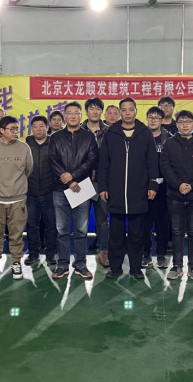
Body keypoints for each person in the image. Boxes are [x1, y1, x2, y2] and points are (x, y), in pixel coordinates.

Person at [99, 97, 159, 280]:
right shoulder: (111, 133)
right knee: (115, 235)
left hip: (138, 191)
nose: (127, 113)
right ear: (119, 112)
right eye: (123, 110)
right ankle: (115, 268)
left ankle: (135, 268)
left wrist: (153, 184)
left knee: (137, 234)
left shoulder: (145, 133)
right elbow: (104, 162)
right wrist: (103, 186)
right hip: (116, 192)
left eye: (130, 109)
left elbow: (152, 161)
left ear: (135, 111)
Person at [161, 110, 193, 282]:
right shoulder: (169, 143)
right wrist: (179, 185)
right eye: (181, 122)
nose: (185, 125)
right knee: (176, 231)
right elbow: (165, 167)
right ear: (176, 124)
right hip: (175, 194)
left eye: (188, 121)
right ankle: (177, 266)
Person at [49, 102, 98, 280]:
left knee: (81, 230)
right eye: (69, 113)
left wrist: (73, 176)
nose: (72, 116)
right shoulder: (55, 137)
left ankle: (80, 264)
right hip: (60, 189)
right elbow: (52, 161)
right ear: (64, 116)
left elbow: (92, 160)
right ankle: (62, 264)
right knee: (61, 230)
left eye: (76, 113)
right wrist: (67, 180)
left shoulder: (88, 136)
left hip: (82, 187)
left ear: (80, 116)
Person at [0, 116, 33, 280]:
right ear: (1, 130)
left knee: (16, 234)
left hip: (18, 199)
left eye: (17, 128)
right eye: (12, 129)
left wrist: (16, 185)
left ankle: (16, 263)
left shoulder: (24, 148)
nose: (15, 131)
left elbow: (28, 170)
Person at [81, 97, 111, 268]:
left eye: (98, 108)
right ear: (86, 111)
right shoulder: (78, 130)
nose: (94, 111)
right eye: (91, 108)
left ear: (101, 112)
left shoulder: (110, 131)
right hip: (81, 182)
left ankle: (103, 252)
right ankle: (80, 257)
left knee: (102, 220)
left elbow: (112, 157)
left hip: (101, 182)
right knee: (81, 220)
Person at [25, 115, 56, 266]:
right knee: (32, 225)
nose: (38, 129)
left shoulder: (54, 144)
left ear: (47, 127)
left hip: (50, 191)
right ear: (31, 129)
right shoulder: (25, 146)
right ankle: (33, 254)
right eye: (35, 127)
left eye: (41, 126)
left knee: (51, 226)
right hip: (30, 193)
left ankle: (51, 254)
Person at [143, 106, 171, 269]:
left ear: (162, 120)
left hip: (165, 187)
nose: (153, 120)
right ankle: (145, 254)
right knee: (144, 223)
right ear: (146, 118)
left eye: (157, 117)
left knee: (162, 223)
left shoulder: (169, 138)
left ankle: (161, 255)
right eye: (150, 117)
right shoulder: (140, 136)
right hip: (144, 187)